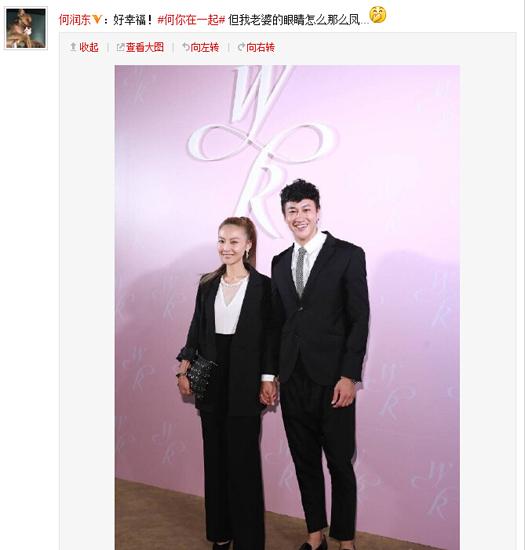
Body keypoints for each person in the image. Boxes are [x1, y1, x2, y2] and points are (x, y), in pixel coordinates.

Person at [260, 179, 370, 550]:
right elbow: (276, 324)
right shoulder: (279, 262)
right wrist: (270, 374)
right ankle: (314, 535)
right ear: (284, 216)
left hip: (334, 379)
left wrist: (349, 375)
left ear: (318, 211)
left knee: (339, 462)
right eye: (292, 211)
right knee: (304, 461)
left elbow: (359, 318)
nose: (299, 216)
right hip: (293, 377)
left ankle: (345, 540)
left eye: (305, 208)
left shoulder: (348, 254)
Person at [177, 216, 272, 550]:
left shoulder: (264, 287)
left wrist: (268, 378)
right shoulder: (207, 284)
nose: (226, 248)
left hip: (246, 382)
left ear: (248, 245)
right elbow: (196, 328)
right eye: (221, 240)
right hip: (212, 381)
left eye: (233, 241)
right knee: (215, 461)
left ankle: (249, 541)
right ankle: (220, 534)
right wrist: (184, 368)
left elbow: (271, 338)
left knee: (244, 464)